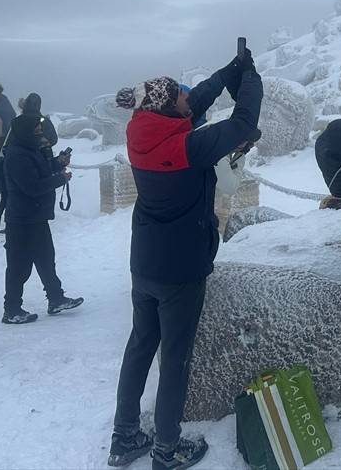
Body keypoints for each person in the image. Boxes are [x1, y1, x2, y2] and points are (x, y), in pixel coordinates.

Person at [108, 47, 263, 470]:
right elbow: (244, 123)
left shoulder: (144, 132)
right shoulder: (188, 146)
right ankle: (166, 449)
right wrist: (250, 79)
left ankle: (124, 437)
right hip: (181, 270)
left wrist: (232, 68)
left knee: (141, 345)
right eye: (180, 94)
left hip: (145, 263)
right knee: (175, 360)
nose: (187, 98)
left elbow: (197, 101)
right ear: (167, 106)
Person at [1, 113, 81, 323]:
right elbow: (32, 186)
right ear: (26, 132)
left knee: (46, 259)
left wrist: (57, 163)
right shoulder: (18, 155)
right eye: (36, 131)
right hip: (22, 219)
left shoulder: (29, 150)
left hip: (35, 216)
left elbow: (40, 172)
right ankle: (11, 309)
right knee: (19, 266)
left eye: (40, 131)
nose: (39, 134)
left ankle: (56, 298)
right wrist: (60, 178)